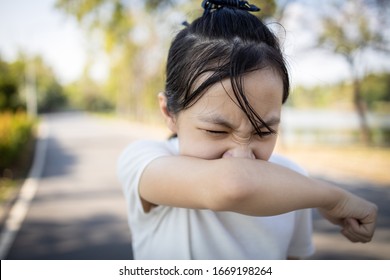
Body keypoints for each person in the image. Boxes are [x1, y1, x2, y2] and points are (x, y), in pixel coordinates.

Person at [117, 0, 377, 259]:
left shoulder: (293, 182)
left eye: (263, 132)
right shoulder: (145, 161)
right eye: (217, 131)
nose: (242, 157)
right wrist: (334, 199)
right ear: (169, 113)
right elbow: (234, 184)